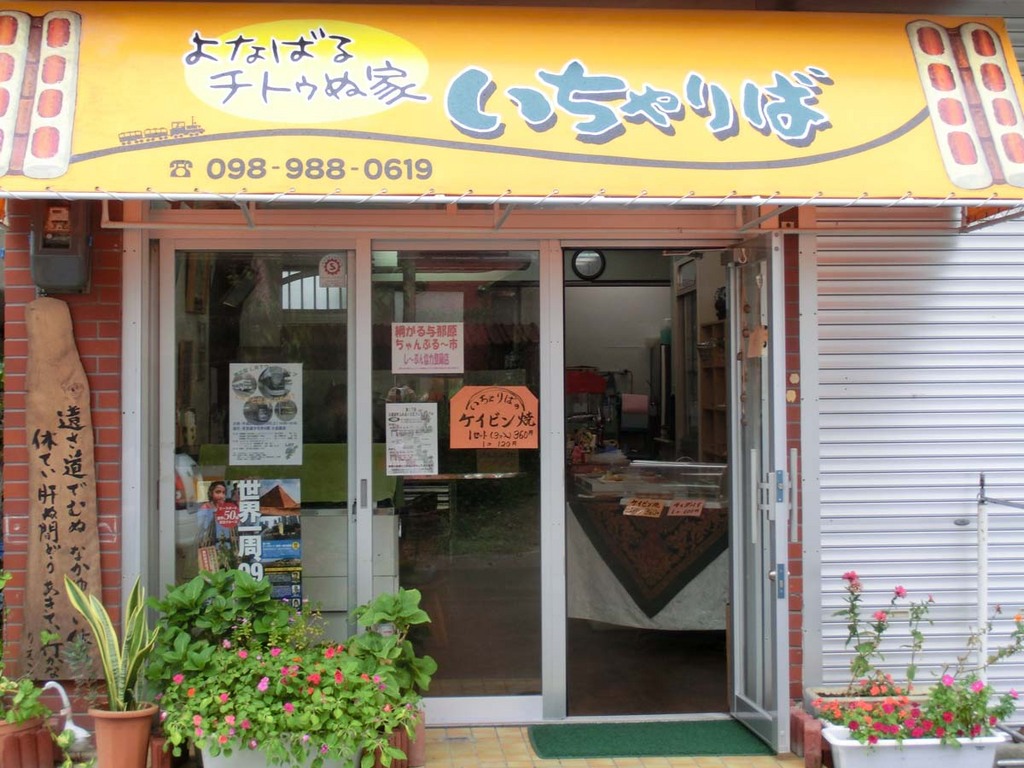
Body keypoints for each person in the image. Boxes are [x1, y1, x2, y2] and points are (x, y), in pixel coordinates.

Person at [195, 480, 237, 570]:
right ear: (211, 493)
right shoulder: (205, 508)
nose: (221, 496)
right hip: (210, 547)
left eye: (223, 493)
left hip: (227, 547)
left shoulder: (228, 508)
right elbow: (200, 528)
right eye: (218, 492)